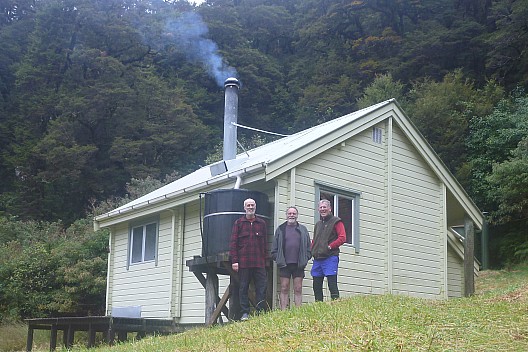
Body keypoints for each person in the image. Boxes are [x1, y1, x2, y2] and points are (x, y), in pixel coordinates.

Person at [229, 198, 268, 321]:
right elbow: (233, 243)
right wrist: (234, 261)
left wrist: (265, 260)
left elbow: (265, 243)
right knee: (243, 287)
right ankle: (245, 312)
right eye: (248, 205)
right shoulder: (239, 223)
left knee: (261, 287)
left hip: (259, 261)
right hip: (244, 262)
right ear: (244, 208)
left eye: (252, 205)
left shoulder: (261, 223)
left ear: (255, 207)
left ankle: (260, 311)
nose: (250, 207)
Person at [271, 206, 311, 310]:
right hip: (284, 264)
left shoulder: (303, 229)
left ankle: (298, 311)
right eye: (289, 213)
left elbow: (308, 247)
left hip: (299, 264)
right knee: (284, 288)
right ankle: (283, 311)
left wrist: (306, 258)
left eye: (294, 213)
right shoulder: (280, 229)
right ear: (286, 215)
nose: (291, 215)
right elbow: (274, 249)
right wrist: (278, 258)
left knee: (298, 288)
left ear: (297, 215)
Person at [311, 199, 346, 301]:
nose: (322, 209)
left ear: (330, 208)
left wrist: (330, 246)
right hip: (317, 259)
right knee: (316, 286)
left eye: (324, 207)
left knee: (332, 284)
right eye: (321, 207)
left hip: (330, 257)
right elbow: (315, 240)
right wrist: (312, 249)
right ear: (318, 209)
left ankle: (335, 304)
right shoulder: (318, 224)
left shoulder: (336, 221)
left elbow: (342, 237)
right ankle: (319, 307)